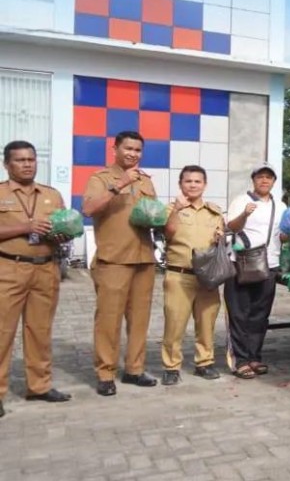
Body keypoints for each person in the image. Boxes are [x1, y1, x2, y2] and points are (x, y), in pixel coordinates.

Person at [81, 131, 159, 396]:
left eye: (138, 150)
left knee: (139, 319)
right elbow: (89, 209)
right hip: (113, 259)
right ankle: (105, 373)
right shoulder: (100, 178)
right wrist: (120, 184)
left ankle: (134, 369)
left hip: (143, 258)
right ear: (114, 148)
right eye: (128, 148)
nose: (133, 154)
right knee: (108, 320)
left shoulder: (146, 181)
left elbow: (152, 214)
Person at [0, 141, 72, 417]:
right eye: (20, 160)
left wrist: (63, 234)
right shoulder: (1, 193)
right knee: (3, 332)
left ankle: (39, 386)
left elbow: (64, 227)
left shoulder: (51, 195)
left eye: (31, 159)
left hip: (45, 269)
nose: (27, 164)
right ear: (7, 164)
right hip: (9, 268)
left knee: (40, 331)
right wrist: (26, 226)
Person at [160, 165, 225, 385]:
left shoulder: (214, 211)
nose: (193, 185)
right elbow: (167, 233)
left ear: (204, 185)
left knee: (207, 321)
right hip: (179, 275)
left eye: (198, 181)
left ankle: (204, 362)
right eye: (188, 181)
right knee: (175, 323)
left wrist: (220, 238)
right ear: (181, 184)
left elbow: (221, 241)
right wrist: (177, 210)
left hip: (208, 276)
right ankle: (171, 366)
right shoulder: (170, 208)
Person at [225, 163, 287, 380]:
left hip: (269, 265)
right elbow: (231, 227)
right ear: (253, 180)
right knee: (239, 314)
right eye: (260, 177)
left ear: (273, 182)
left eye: (268, 177)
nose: (264, 180)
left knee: (260, 315)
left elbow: (282, 236)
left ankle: (254, 356)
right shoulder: (241, 200)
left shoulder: (280, 206)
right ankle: (240, 360)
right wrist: (244, 214)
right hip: (240, 265)